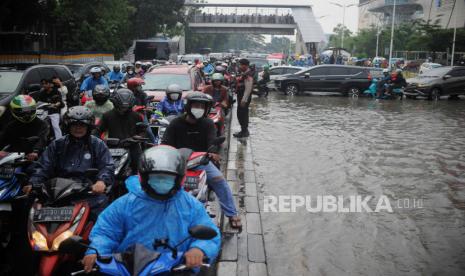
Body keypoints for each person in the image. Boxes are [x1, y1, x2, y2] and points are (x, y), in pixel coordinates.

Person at [82, 146, 221, 273]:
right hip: (128, 269)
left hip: (174, 269)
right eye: (156, 178)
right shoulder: (126, 203)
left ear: (179, 179)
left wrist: (198, 248)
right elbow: (106, 231)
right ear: (144, 178)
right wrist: (97, 251)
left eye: (167, 178)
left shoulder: (191, 205)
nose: (161, 182)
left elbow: (210, 233)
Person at [162, 92, 242, 229]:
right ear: (188, 106)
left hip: (201, 162)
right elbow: (165, 143)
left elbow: (213, 142)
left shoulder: (208, 123)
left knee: (220, 181)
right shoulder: (176, 123)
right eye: (196, 105)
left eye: (202, 106)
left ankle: (232, 213)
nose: (199, 108)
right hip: (177, 163)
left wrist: (212, 153)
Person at [27, 106, 114, 215]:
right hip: (58, 192)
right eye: (74, 125)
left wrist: (101, 181)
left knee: (102, 220)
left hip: (88, 192)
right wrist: (34, 182)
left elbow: (107, 166)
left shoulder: (97, 144)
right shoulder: (57, 144)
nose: (78, 128)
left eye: (82, 125)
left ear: (88, 127)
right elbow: (43, 166)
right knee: (31, 211)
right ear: (68, 126)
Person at [95, 88, 143, 172]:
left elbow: (142, 131)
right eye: (121, 107)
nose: (123, 110)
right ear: (115, 103)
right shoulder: (107, 115)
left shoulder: (137, 116)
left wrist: (138, 137)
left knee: (139, 167)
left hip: (132, 147)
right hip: (112, 147)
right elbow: (97, 131)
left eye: (126, 108)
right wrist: (99, 142)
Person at [0, 95, 49, 161]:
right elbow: (2, 139)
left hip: (36, 158)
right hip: (14, 158)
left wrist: (35, 151)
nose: (26, 115)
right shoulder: (11, 126)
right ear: (14, 111)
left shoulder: (42, 124)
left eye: (29, 111)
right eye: (22, 112)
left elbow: (42, 139)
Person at [233, 58, 253, 138]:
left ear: (245, 65)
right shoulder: (244, 73)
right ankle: (244, 130)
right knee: (241, 114)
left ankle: (244, 132)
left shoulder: (248, 74)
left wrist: (244, 100)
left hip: (244, 97)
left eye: (241, 65)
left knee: (242, 114)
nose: (240, 66)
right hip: (241, 95)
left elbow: (248, 89)